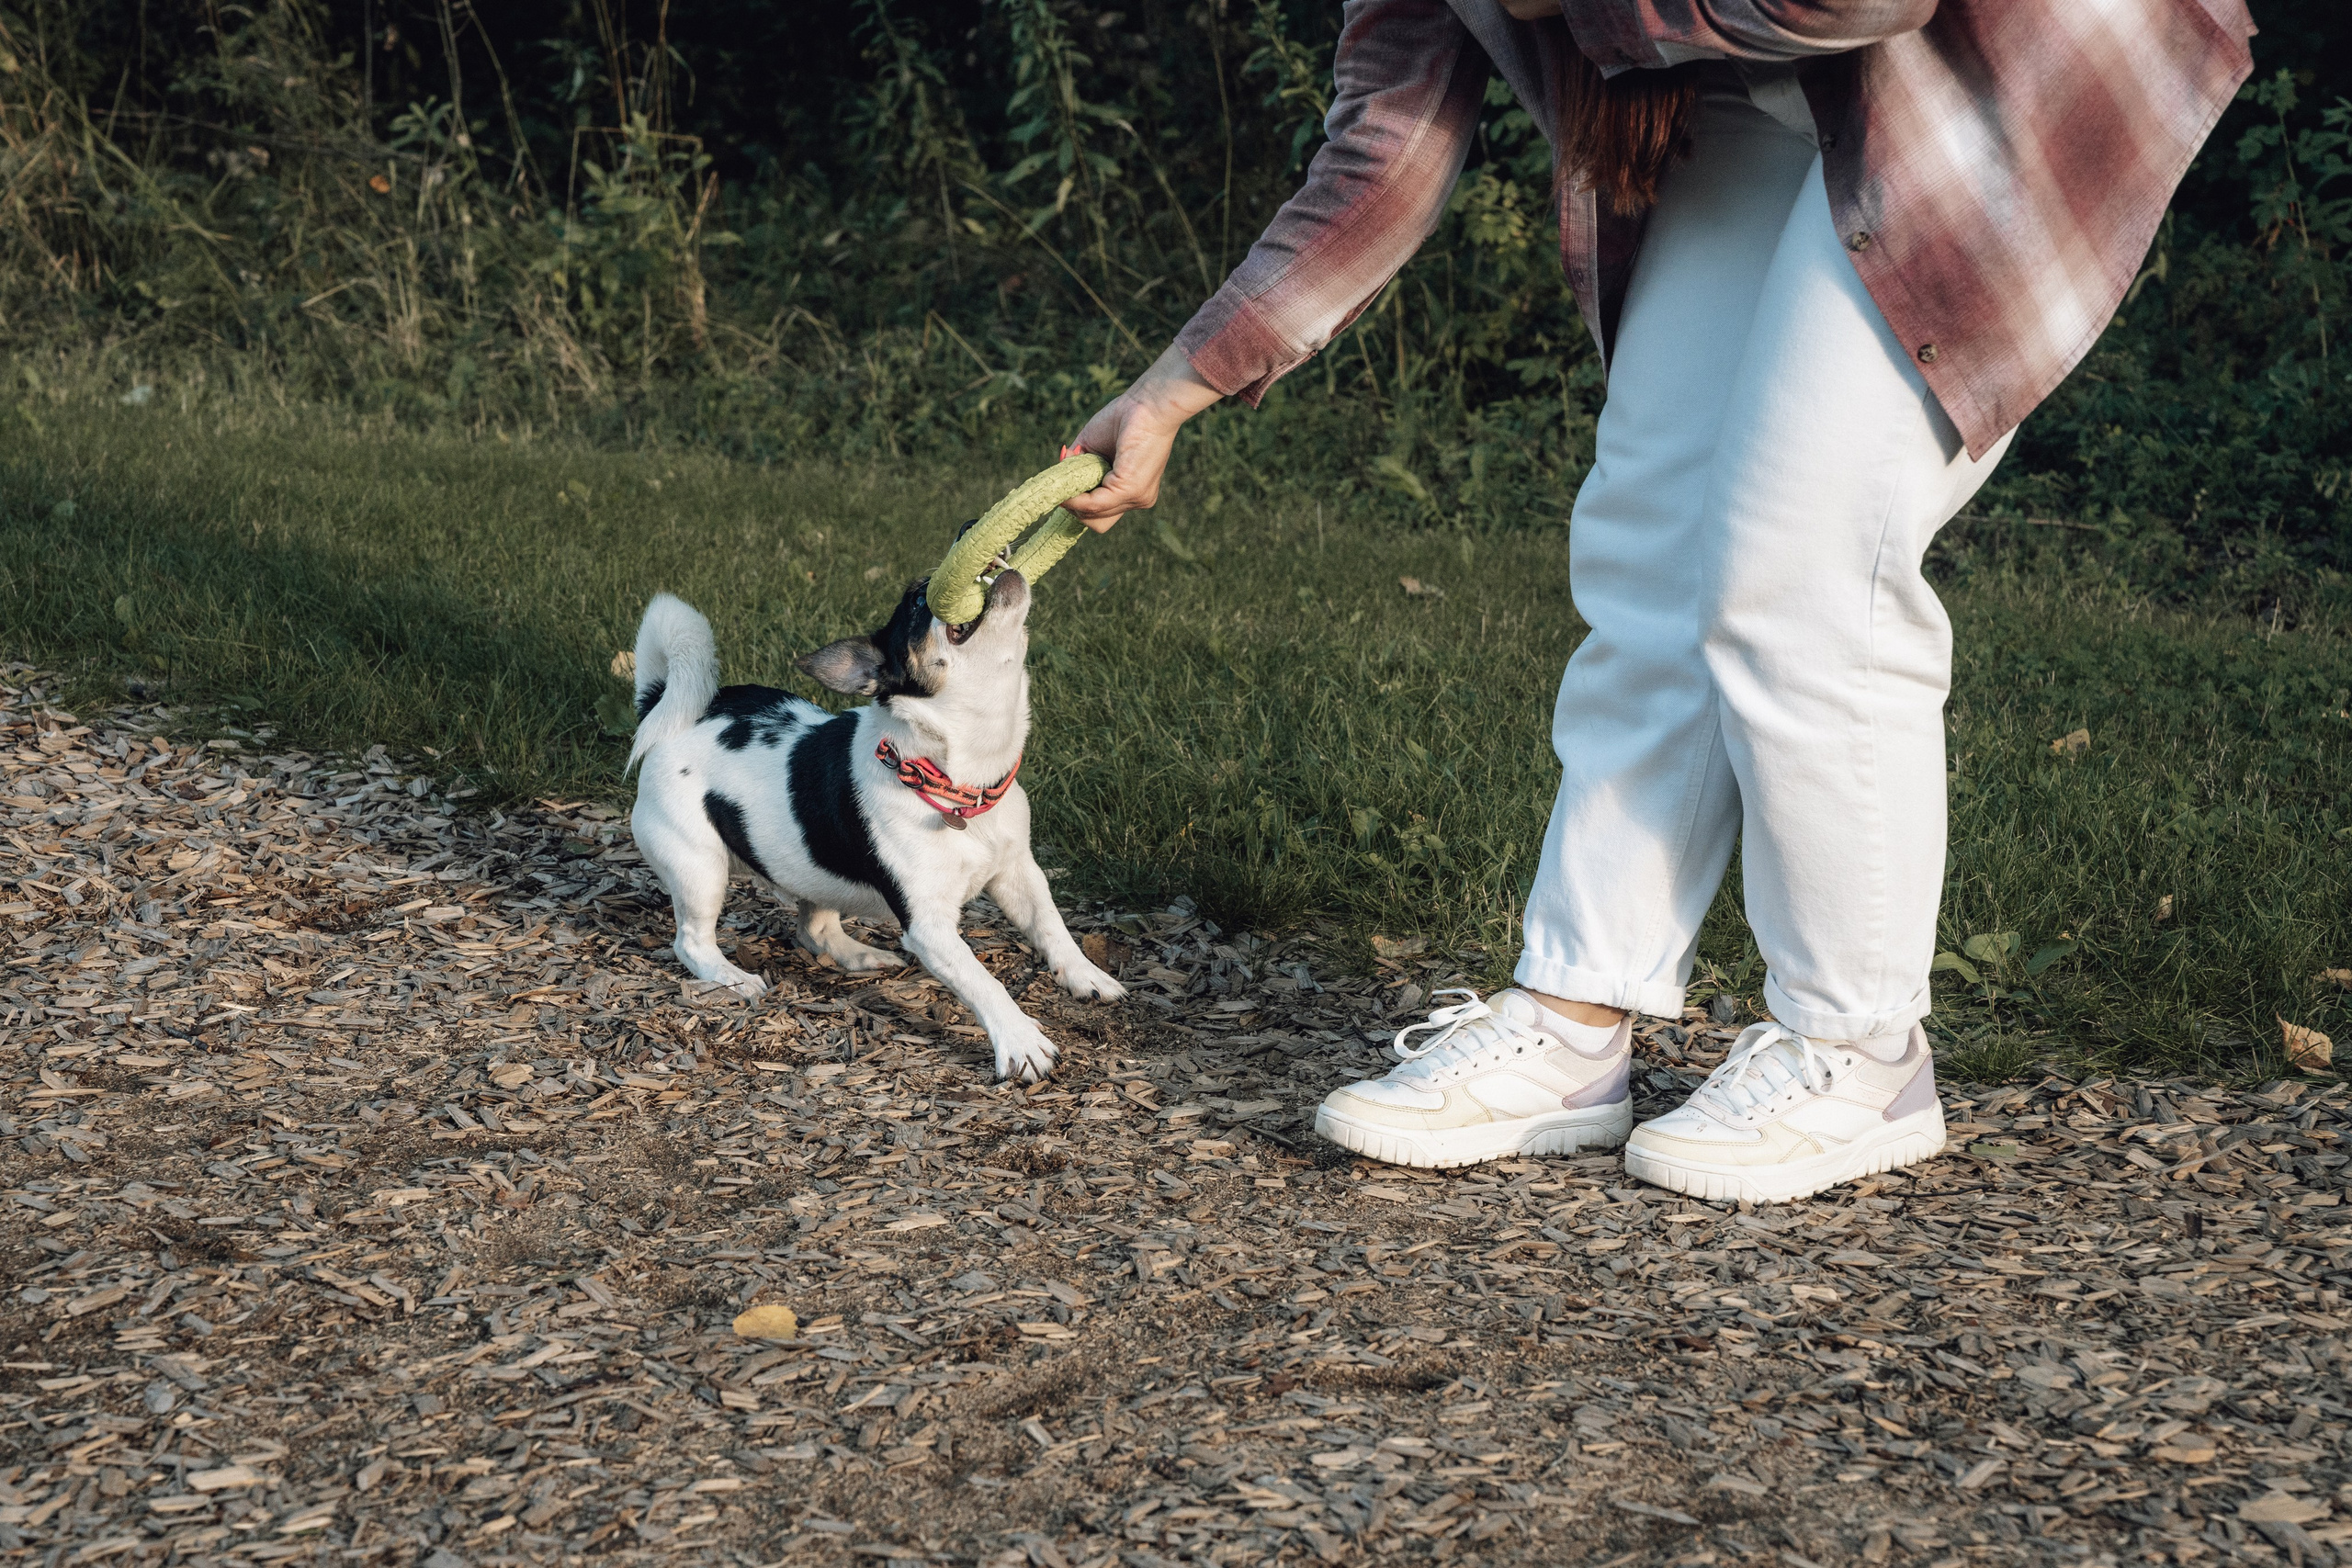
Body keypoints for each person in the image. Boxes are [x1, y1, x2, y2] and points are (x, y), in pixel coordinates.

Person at [1059, 0, 2253, 1202]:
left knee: (1802, 558)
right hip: (1746, 92)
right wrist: (1179, 383)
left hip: (1997, 58)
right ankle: (1578, 1009)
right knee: (1652, 543)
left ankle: (1861, 1048)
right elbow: (1387, 144)